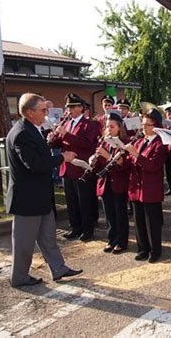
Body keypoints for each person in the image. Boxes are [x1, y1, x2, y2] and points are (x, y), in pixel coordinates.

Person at [6, 93, 82, 287]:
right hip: (27, 199)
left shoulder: (32, 129)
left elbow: (38, 154)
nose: (47, 113)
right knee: (24, 243)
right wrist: (62, 158)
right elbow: (35, 164)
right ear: (30, 113)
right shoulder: (22, 133)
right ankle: (19, 277)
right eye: (43, 110)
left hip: (40, 196)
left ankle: (58, 268)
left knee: (48, 236)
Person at [48, 93, 99, 241]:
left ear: (80, 108)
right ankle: (75, 228)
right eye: (68, 107)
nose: (69, 110)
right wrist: (53, 139)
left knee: (84, 201)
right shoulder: (67, 123)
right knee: (71, 202)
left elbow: (86, 143)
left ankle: (87, 230)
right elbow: (61, 143)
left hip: (80, 168)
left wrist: (66, 134)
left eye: (72, 107)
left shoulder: (90, 124)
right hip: (67, 168)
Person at [126, 109, 168, 263]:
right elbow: (131, 163)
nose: (143, 128)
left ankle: (155, 250)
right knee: (139, 220)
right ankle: (143, 248)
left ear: (156, 126)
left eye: (147, 125)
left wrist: (136, 155)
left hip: (151, 187)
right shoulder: (139, 141)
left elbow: (153, 166)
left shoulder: (160, 143)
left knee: (153, 222)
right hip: (136, 187)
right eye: (142, 125)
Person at [93, 113, 130, 254]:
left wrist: (107, 156)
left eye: (112, 126)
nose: (109, 129)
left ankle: (122, 241)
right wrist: (94, 160)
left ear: (119, 127)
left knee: (120, 212)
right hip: (105, 182)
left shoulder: (124, 142)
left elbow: (124, 164)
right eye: (107, 126)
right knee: (109, 213)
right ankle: (111, 239)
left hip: (119, 182)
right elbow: (99, 165)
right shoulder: (103, 141)